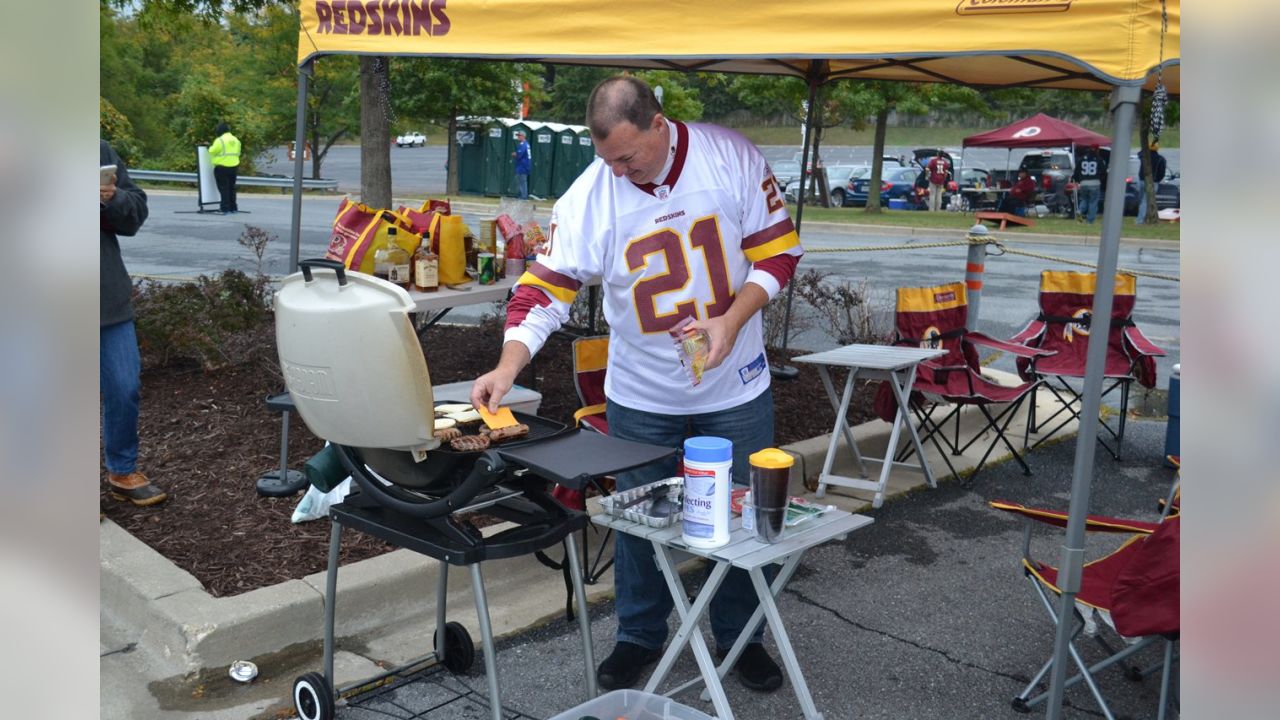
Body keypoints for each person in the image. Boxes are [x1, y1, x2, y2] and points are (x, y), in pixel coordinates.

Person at [471, 76, 802, 693]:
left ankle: (739, 637)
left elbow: (779, 253)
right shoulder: (592, 195)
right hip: (642, 394)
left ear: (659, 123)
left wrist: (731, 321)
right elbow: (544, 292)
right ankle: (638, 635)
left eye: (628, 156)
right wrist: (508, 366)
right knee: (638, 518)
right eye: (606, 159)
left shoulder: (729, 156)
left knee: (745, 517)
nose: (619, 171)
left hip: (736, 385)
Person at [101, 140, 168, 507]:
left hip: (104, 294)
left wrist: (112, 199)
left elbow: (134, 213)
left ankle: (122, 471)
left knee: (124, 387)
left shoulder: (96, 151)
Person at [210, 121, 241, 214]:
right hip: (234, 166)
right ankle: (233, 208)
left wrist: (209, 146)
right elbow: (238, 153)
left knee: (224, 188)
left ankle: (224, 208)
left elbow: (212, 151)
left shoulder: (220, 140)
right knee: (232, 188)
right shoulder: (236, 140)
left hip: (222, 167)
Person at [1072, 144, 1106, 224]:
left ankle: (1080, 211)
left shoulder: (1082, 159)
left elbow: (1076, 171)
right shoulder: (1098, 159)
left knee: (1084, 199)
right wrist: (1100, 179)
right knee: (1093, 202)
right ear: (1097, 150)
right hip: (1095, 183)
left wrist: (1077, 180)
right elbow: (1104, 172)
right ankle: (1090, 221)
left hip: (1083, 183)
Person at [1136, 142, 1167, 224]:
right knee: (1146, 201)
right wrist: (1157, 180)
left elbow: (1139, 153)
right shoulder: (1161, 159)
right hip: (1153, 182)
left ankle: (1143, 218)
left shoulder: (1143, 157)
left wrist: (1144, 148)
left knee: (1141, 201)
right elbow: (1162, 173)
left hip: (1141, 181)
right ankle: (1140, 221)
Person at [512, 130, 531, 200]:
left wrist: (514, 154)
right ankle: (521, 195)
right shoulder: (526, 144)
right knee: (521, 181)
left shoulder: (523, 144)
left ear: (523, 136)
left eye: (519, 136)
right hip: (524, 165)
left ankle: (523, 197)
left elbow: (519, 154)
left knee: (522, 182)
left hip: (523, 165)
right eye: (518, 136)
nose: (518, 137)